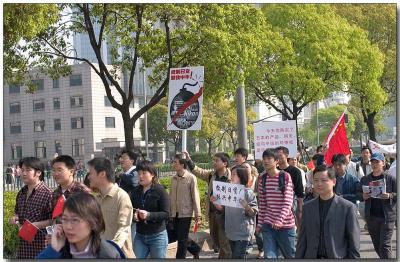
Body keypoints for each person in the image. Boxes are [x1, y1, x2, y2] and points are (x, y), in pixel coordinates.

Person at [296, 164, 360, 258]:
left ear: (333, 181)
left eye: (324, 180)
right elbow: (302, 240)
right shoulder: (307, 207)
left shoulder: (347, 208)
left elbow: (354, 242)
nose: (319, 184)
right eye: (316, 180)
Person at [36, 192, 124, 258]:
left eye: (75, 220)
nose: (68, 227)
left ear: (92, 222)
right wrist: (54, 249)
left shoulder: (108, 253)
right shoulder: (59, 251)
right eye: (65, 219)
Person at [184, 151, 232, 258]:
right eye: (213, 160)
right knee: (216, 240)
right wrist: (188, 160)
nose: (213, 162)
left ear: (225, 163)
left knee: (225, 242)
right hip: (213, 214)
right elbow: (198, 172)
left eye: (216, 160)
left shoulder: (232, 176)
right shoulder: (211, 175)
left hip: (226, 215)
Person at [87, 157, 134, 258]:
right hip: (100, 254)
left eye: (91, 173)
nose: (88, 177)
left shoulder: (121, 196)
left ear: (102, 174)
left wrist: (111, 248)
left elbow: (124, 228)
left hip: (119, 255)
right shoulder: (95, 198)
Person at [9, 157, 53, 258]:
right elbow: (18, 213)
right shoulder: (21, 193)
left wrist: (35, 225)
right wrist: (15, 217)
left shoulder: (48, 194)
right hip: (23, 249)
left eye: (28, 170)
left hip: (40, 248)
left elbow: (54, 221)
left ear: (38, 173)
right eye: (22, 170)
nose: (23, 173)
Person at [211, 167, 258, 258]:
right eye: (231, 174)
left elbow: (253, 213)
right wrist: (216, 203)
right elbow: (223, 210)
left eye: (234, 174)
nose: (231, 176)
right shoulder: (229, 192)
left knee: (238, 256)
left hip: (243, 233)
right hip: (230, 232)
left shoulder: (248, 193)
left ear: (241, 177)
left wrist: (246, 206)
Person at [256, 149, 296, 259]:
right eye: (264, 159)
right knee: (269, 256)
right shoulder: (262, 178)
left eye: (269, 159)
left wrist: (280, 219)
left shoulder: (285, 176)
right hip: (268, 225)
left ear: (276, 161)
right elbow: (262, 204)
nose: (266, 161)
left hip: (286, 225)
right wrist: (259, 224)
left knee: (290, 256)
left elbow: (288, 202)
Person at [358, 152, 397, 258]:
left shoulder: (391, 179)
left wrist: (390, 195)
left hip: (387, 217)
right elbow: (358, 193)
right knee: (377, 246)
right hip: (371, 217)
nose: (374, 164)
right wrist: (363, 196)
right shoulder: (365, 179)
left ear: (383, 163)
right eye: (372, 162)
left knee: (384, 245)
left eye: (377, 162)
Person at [130, 160, 170, 258]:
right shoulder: (135, 192)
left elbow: (166, 213)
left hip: (157, 236)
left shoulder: (160, 190)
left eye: (144, 173)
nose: (140, 176)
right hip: (140, 235)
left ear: (152, 174)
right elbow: (130, 211)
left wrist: (149, 215)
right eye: (139, 173)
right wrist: (134, 216)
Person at [169, 154, 201, 259]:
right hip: (174, 212)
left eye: (175, 162)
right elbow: (170, 196)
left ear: (182, 165)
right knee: (180, 236)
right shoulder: (173, 178)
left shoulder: (191, 178)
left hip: (186, 213)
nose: (173, 164)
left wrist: (198, 214)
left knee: (182, 240)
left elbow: (195, 196)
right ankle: (195, 249)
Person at [51, 155, 91, 222]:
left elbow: (90, 217)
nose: (56, 174)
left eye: (59, 170)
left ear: (71, 172)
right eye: (54, 170)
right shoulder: (56, 193)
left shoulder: (82, 191)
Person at [276, 146, 304, 227]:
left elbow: (299, 191)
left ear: (287, 155)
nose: (278, 158)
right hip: (276, 204)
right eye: (276, 156)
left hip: (291, 204)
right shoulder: (274, 171)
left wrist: (300, 208)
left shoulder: (295, 171)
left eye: (280, 155)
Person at [118, 149, 139, 246]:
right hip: (123, 211)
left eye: (124, 158)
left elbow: (133, 182)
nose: (121, 160)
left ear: (132, 161)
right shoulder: (124, 174)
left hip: (132, 211)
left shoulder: (136, 172)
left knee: (132, 240)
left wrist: (121, 175)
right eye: (121, 158)